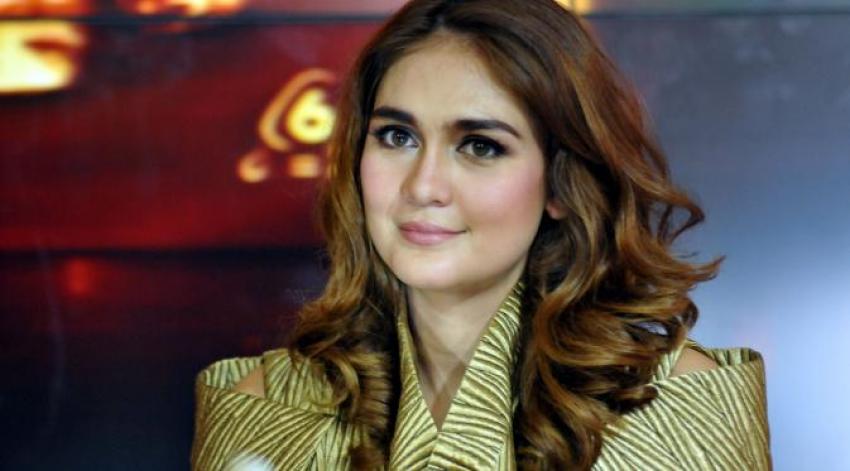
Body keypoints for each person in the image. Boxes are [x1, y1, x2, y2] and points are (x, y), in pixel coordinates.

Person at [191, 0, 771, 469]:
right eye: (397, 137)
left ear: (561, 183)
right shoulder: (268, 405)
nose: (424, 186)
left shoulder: (675, 408)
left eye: (479, 146)